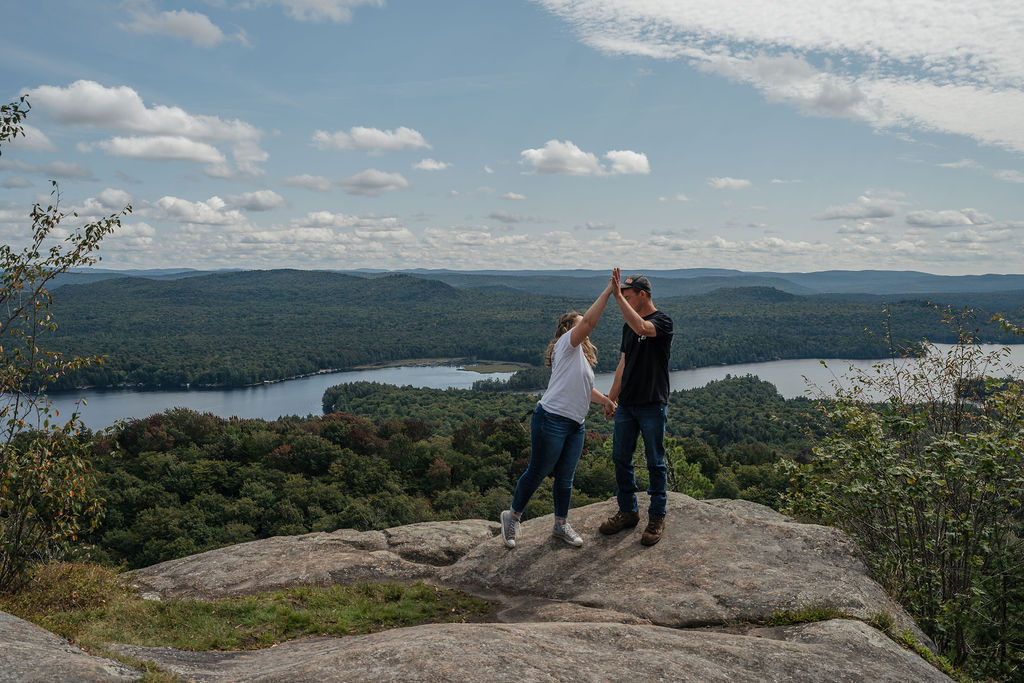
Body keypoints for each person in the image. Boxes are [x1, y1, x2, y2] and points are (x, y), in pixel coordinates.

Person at [500, 280, 617, 549]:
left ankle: (560, 525)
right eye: (579, 322)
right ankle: (513, 516)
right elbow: (589, 323)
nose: (584, 324)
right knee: (538, 471)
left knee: (566, 477)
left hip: (576, 425)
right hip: (551, 419)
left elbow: (585, 389)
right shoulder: (566, 344)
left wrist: (607, 402)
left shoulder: (582, 359)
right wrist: (609, 292)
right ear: (568, 329)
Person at [599, 268, 674, 546]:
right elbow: (623, 364)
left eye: (629, 297)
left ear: (643, 295)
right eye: (624, 297)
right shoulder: (627, 327)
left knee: (655, 461)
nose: (626, 301)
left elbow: (643, 328)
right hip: (628, 404)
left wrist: (616, 296)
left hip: (652, 403)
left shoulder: (663, 321)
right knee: (621, 458)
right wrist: (611, 397)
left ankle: (657, 516)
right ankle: (628, 511)